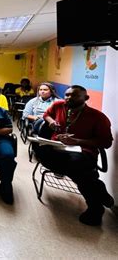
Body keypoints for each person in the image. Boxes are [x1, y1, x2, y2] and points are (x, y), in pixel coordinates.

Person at [36, 85, 114, 226]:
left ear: (86, 98)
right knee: (44, 154)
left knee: (77, 166)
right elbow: (46, 115)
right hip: (57, 149)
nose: (69, 98)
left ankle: (95, 208)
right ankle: (99, 191)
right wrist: (51, 122)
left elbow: (106, 142)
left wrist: (77, 141)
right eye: (67, 94)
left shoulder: (98, 117)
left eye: (74, 95)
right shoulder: (59, 105)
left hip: (82, 153)